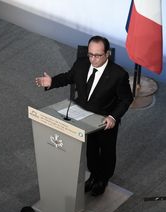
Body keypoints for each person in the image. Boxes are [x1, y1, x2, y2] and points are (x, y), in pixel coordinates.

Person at [35, 35, 133, 196]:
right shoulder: (81, 64)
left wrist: (113, 117)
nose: (93, 59)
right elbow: (68, 77)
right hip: (84, 119)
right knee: (91, 150)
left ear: (107, 54)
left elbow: (126, 99)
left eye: (97, 55)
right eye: (90, 54)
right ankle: (94, 175)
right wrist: (52, 81)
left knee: (106, 152)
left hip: (105, 122)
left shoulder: (118, 74)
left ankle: (103, 179)